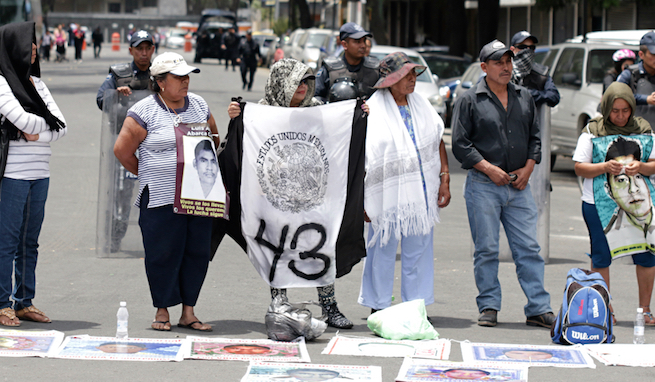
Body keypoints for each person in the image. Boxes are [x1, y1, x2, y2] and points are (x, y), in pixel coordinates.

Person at [226, 58, 362, 329]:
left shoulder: (318, 111)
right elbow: (241, 148)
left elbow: (340, 135)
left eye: (306, 80)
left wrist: (359, 114)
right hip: (271, 197)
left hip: (314, 197)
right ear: (282, 82)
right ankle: (280, 302)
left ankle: (329, 306)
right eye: (296, 81)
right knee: (277, 249)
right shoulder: (260, 112)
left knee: (320, 247)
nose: (303, 86)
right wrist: (236, 118)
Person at [451, 40, 554, 328]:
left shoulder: (524, 96)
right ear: (484, 67)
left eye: (508, 61)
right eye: (499, 63)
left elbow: (535, 138)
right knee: (486, 249)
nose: (506, 67)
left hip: (519, 184)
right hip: (483, 184)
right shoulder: (470, 99)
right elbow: (460, 144)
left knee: (529, 249)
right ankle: (489, 305)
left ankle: (538, 307)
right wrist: (487, 168)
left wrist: (529, 169)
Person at [113, 51, 218, 332]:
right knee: (162, 253)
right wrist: (151, 171)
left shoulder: (198, 105)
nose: (185, 82)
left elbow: (214, 138)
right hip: (160, 195)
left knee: (195, 252)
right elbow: (122, 151)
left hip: (198, 197)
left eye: (187, 77)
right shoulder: (144, 111)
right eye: (178, 77)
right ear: (160, 82)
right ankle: (162, 310)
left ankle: (189, 311)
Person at [0, 21, 67, 327]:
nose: (36, 49)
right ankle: (2, 305)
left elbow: (62, 126)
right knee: (8, 240)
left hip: (40, 173)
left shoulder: (37, 84)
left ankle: (24, 302)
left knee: (30, 242)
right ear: (13, 48)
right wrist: (44, 126)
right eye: (29, 44)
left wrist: (38, 131)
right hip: (11, 174)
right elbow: (26, 121)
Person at [358, 52, 451, 314]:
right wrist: (362, 200)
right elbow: (363, 158)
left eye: (413, 75)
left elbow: (437, 141)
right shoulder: (371, 111)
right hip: (385, 196)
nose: (412, 80)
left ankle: (415, 308)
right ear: (390, 80)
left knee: (419, 253)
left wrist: (444, 177)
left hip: (421, 193)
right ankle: (379, 307)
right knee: (382, 251)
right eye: (406, 75)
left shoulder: (420, 104)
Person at [573, 82, 655, 324]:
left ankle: (645, 310)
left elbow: (654, 164)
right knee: (601, 257)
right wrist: (603, 167)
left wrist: (641, 167)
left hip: (640, 203)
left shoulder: (644, 128)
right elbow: (579, 167)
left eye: (625, 110)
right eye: (615, 111)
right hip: (597, 204)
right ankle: (604, 308)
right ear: (606, 107)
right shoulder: (592, 130)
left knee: (647, 255)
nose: (620, 116)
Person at [96, 30, 156, 253]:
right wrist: (116, 96)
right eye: (138, 48)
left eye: (147, 48)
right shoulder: (118, 75)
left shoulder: (160, 75)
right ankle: (115, 236)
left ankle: (154, 239)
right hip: (126, 145)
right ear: (130, 50)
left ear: (152, 50)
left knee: (156, 194)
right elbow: (101, 99)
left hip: (154, 146)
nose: (143, 52)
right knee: (121, 194)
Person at [315, 22, 379, 102]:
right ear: (344, 45)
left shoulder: (376, 68)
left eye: (364, 41)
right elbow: (316, 97)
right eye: (357, 41)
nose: (363, 45)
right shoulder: (329, 68)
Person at [509, 31, 560, 108]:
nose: (527, 51)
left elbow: (554, 96)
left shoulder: (541, 73)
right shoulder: (504, 71)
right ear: (512, 50)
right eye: (523, 47)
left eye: (531, 48)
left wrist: (529, 94)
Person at [617, 31, 655, 127]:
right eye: (653, 54)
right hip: (635, 134)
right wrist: (647, 99)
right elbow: (617, 96)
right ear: (641, 55)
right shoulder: (630, 74)